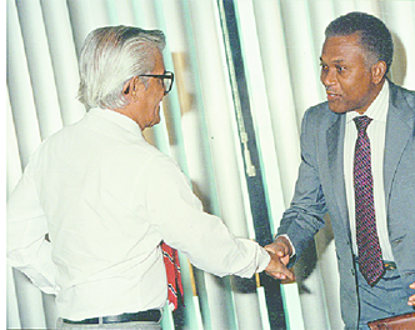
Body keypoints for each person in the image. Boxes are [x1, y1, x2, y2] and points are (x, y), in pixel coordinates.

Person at [7, 25, 294, 329]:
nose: (164, 92)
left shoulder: (51, 150)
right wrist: (262, 259)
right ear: (132, 86)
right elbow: (205, 244)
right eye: (161, 79)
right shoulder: (147, 164)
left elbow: (14, 238)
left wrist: (74, 285)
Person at [265, 12, 415, 329]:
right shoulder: (317, 124)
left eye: (340, 69)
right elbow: (307, 208)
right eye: (323, 66)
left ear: (377, 71)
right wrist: (285, 243)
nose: (326, 79)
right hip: (364, 304)